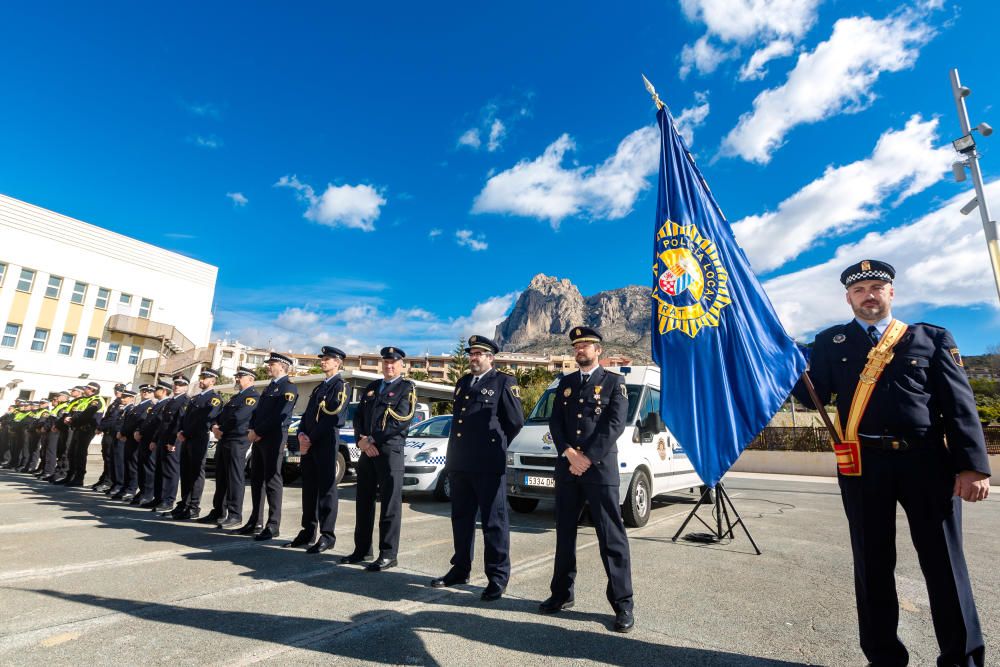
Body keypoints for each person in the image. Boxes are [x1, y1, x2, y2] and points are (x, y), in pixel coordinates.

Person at [791, 259, 990, 667]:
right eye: (860, 290)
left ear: (891, 293)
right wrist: (784, 361)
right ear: (848, 298)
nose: (869, 295)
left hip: (928, 462)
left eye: (876, 287)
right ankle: (883, 659)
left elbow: (960, 406)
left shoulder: (929, 339)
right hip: (864, 466)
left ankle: (962, 659)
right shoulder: (832, 342)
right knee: (872, 565)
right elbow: (812, 398)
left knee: (945, 566)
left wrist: (973, 466)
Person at [540, 327, 634, 633]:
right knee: (564, 534)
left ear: (598, 351)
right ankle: (561, 594)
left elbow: (615, 425)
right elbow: (556, 423)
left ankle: (622, 605)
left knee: (611, 537)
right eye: (576, 345)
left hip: (599, 469)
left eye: (586, 345)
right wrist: (569, 453)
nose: (580, 349)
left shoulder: (614, 382)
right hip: (568, 469)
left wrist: (587, 458)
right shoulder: (565, 383)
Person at [430, 335, 524, 600]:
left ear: (490, 357)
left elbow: (515, 421)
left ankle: (497, 577)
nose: (474, 358)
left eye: (479, 354)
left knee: (494, 522)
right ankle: (460, 569)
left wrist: (493, 445)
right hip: (460, 463)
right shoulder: (462, 383)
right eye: (471, 354)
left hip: (488, 464)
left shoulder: (504, 382)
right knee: (461, 519)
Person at [341, 346, 416, 572]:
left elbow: (402, 420)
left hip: (389, 452)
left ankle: (388, 553)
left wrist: (372, 439)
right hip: (367, 451)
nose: (389, 366)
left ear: (402, 365)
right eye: (386, 362)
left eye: (393, 362)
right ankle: (362, 549)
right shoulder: (373, 388)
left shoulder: (406, 388)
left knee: (390, 505)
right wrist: (361, 441)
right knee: (363, 502)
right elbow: (358, 418)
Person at [286, 346, 350, 553]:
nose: (323, 361)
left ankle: (327, 535)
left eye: (328, 359)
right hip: (310, 444)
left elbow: (334, 418)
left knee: (326, 490)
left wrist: (310, 438)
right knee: (310, 489)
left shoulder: (340, 386)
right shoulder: (319, 387)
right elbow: (307, 415)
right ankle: (307, 532)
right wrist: (301, 434)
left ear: (337, 362)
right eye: (323, 358)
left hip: (325, 444)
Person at [239, 352, 297, 540]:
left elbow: (279, 415)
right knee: (257, 480)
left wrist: (259, 431)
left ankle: (273, 525)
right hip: (259, 438)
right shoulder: (269, 388)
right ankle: (256, 520)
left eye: (271, 363)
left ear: (281, 366)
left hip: (273, 439)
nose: (268, 366)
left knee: (272, 481)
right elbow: (258, 412)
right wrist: (251, 429)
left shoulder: (288, 388)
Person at [209, 366, 260, 529]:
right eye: (237, 376)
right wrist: (215, 426)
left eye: (241, 376)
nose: (237, 379)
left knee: (234, 478)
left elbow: (239, 417)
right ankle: (218, 511)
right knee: (221, 476)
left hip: (238, 440)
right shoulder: (235, 397)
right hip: (225, 439)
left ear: (250, 379)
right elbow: (221, 415)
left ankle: (234, 514)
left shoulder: (252, 396)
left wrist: (221, 429)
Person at [171, 368, 223, 520]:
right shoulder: (194, 399)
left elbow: (205, 420)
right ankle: (185, 504)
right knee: (185, 473)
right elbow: (185, 418)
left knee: (195, 473)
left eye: (205, 378)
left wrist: (186, 433)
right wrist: (181, 431)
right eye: (201, 377)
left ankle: (194, 506)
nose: (201, 380)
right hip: (186, 438)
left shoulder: (214, 399)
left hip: (198, 438)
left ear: (212, 381)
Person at [153, 375, 191, 513]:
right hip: (163, 438)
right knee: (160, 469)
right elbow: (163, 423)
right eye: (175, 383)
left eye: (180, 384)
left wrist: (172, 441)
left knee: (170, 471)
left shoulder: (185, 400)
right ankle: (158, 498)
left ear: (186, 387)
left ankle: (168, 500)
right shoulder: (170, 401)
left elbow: (179, 423)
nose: (177, 386)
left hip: (172, 440)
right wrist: (156, 440)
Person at [134, 379, 171, 506]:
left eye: (157, 389)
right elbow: (147, 421)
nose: (154, 391)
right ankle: (143, 491)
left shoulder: (166, 404)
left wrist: (154, 439)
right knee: (142, 467)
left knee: (149, 469)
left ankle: (148, 494)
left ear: (164, 391)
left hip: (152, 440)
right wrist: (139, 431)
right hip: (145, 439)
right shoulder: (157, 404)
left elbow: (159, 424)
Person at [63, 382, 107, 486]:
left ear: (93, 390)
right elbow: (78, 412)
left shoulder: (96, 400)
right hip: (78, 428)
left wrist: (72, 419)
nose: (85, 389)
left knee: (80, 454)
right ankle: (70, 476)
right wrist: (70, 419)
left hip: (86, 429)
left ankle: (79, 478)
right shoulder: (85, 399)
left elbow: (87, 415)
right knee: (72, 453)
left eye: (87, 388)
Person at [115, 384, 154, 501]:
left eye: (149, 391)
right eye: (143, 390)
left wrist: (125, 432)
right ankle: (126, 488)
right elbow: (128, 422)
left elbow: (139, 422)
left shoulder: (149, 406)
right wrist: (123, 432)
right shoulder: (137, 407)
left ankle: (131, 489)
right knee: (128, 464)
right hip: (129, 439)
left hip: (136, 439)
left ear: (152, 393)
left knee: (133, 466)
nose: (145, 393)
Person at [105, 389, 136, 496]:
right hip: (115, 436)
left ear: (131, 398)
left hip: (122, 438)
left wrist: (122, 433)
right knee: (114, 461)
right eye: (122, 397)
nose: (122, 399)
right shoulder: (122, 409)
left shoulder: (131, 409)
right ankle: (116, 484)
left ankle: (120, 484)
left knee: (119, 462)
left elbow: (126, 424)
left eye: (125, 397)